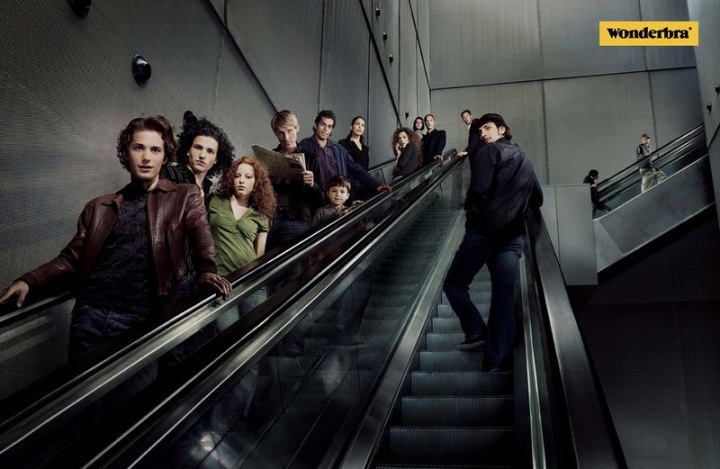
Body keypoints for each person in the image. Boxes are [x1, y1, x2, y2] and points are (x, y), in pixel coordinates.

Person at [0, 115, 232, 402]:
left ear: (165, 157)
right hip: (90, 315)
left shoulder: (184, 196)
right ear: (126, 154)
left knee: (127, 410)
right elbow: (71, 259)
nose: (146, 157)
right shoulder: (100, 207)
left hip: (141, 320)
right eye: (138, 148)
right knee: (78, 405)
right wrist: (30, 280)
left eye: (155, 150)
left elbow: (200, 232)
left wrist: (206, 269)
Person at [442, 113, 543, 372]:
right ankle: (494, 360)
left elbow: (478, 191)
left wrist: (474, 218)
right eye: (480, 132)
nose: (483, 134)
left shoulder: (489, 152)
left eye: (487, 128)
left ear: (502, 129)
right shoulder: (525, 158)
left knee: (454, 283)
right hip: (513, 237)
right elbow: (538, 199)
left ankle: (476, 329)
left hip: (485, 232)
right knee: (503, 295)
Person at [208, 156, 276, 426]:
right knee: (226, 351)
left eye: (248, 177)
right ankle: (216, 417)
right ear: (230, 178)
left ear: (256, 182)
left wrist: (257, 281)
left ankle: (235, 417)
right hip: (221, 287)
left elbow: (259, 255)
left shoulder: (260, 215)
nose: (242, 181)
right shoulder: (215, 203)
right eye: (238, 175)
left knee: (250, 351)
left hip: (252, 288)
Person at [299, 110, 391, 199]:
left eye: (329, 126)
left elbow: (356, 169)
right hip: (317, 197)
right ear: (316, 125)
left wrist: (376, 185)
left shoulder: (338, 149)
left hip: (337, 197)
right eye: (322, 124)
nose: (325, 129)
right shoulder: (305, 145)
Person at [268, 110, 324, 249]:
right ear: (275, 133)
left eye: (290, 131)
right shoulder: (269, 157)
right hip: (270, 218)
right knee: (268, 261)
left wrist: (312, 184)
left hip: (297, 219)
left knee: (294, 261)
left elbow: (323, 198)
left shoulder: (312, 158)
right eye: (281, 133)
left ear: (297, 128)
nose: (286, 138)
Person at [162, 111, 234, 203]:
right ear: (188, 150)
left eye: (210, 151)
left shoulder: (207, 187)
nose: (202, 155)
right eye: (198, 147)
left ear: (216, 159)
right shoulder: (171, 174)